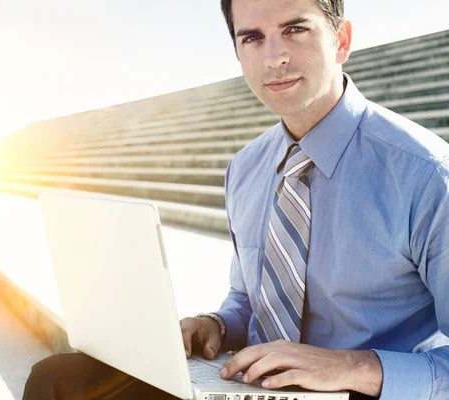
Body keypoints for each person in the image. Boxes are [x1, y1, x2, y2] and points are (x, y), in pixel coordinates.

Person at [23, 0, 449, 399]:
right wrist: (216, 326)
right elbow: (247, 300)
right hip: (250, 386)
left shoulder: (426, 175)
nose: (274, 58)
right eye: (252, 38)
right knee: (57, 378)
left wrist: (351, 367)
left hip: (358, 392)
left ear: (341, 41)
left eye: (295, 29)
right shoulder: (246, 168)